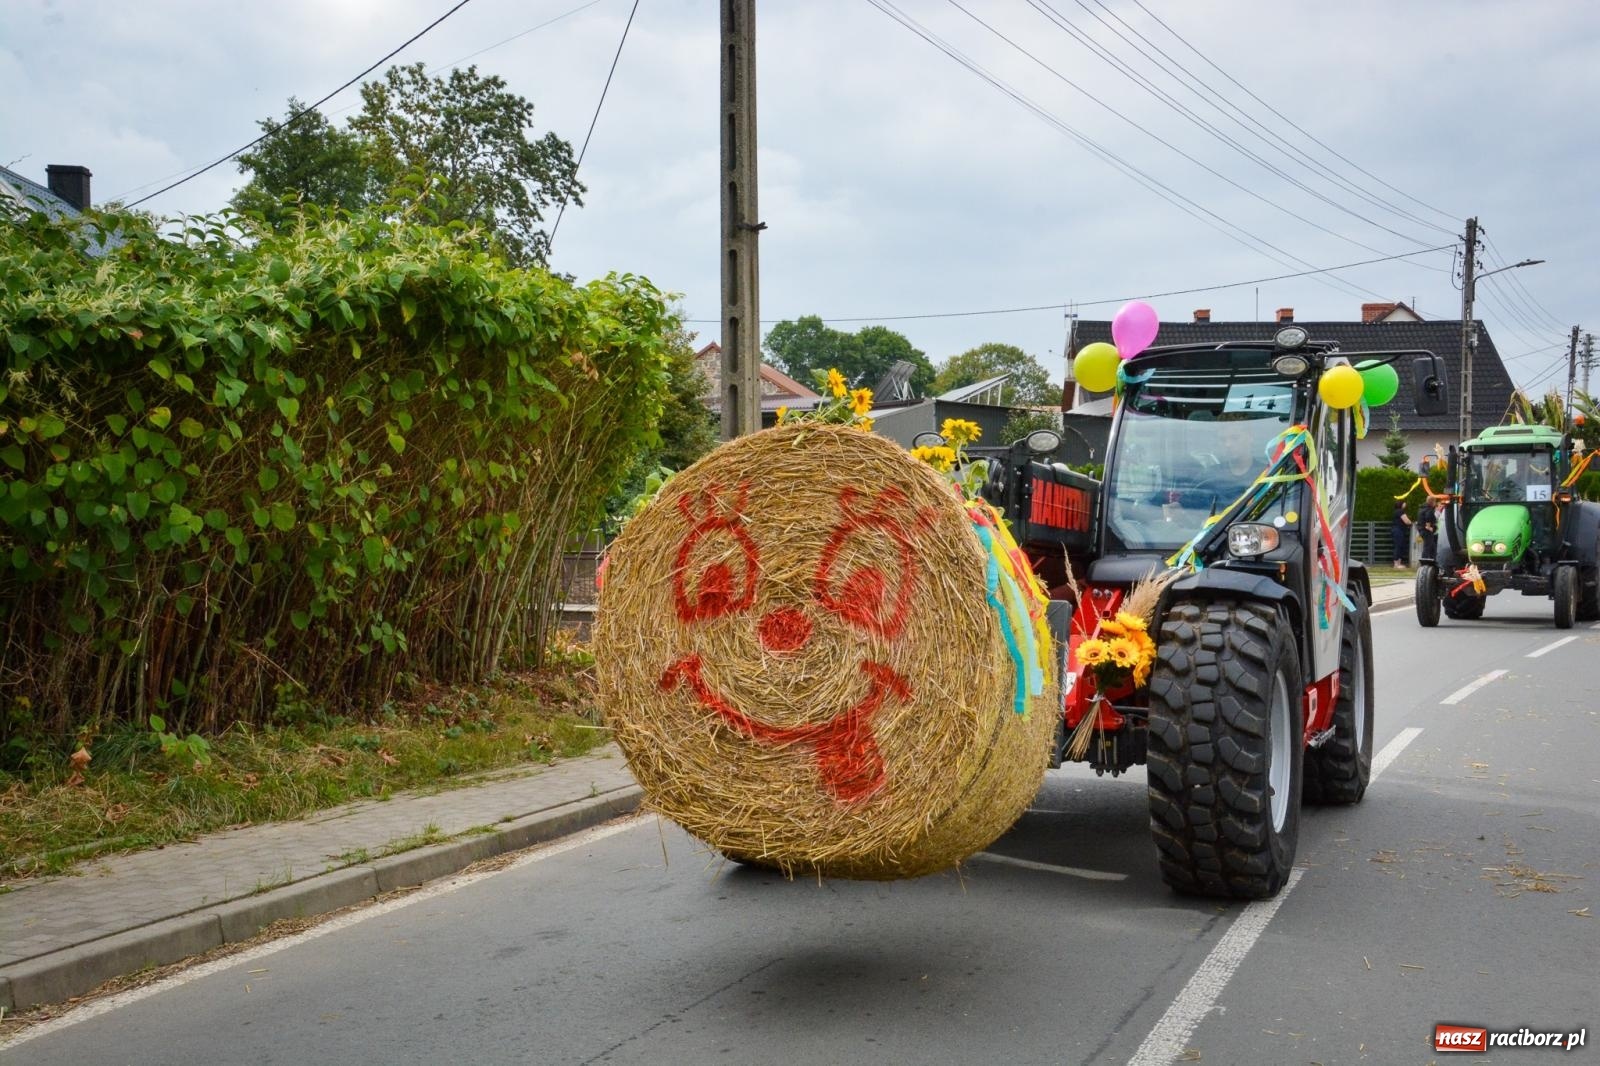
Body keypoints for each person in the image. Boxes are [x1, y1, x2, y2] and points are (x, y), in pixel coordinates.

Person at [1392, 499, 1413, 568]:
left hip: (1398, 530)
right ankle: (1396, 564)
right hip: (1398, 530)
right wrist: (1411, 523)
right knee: (1398, 546)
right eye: (1404, 503)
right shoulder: (1400, 511)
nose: (1405, 504)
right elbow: (1407, 521)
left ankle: (1398, 563)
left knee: (1400, 546)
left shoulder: (1396, 511)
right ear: (1401, 504)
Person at [1418, 499, 1440, 563]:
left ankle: (1433, 561)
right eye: (1435, 502)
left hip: (1421, 530)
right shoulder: (1429, 509)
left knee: (1432, 547)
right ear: (1432, 502)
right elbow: (1428, 518)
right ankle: (1424, 562)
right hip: (1427, 531)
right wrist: (1429, 527)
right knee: (1427, 547)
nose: (1435, 503)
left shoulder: (1421, 508)